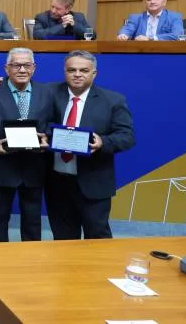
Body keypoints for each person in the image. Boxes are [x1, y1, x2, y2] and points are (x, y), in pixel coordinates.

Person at [46, 50, 135, 240]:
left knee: (97, 238)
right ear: (64, 71)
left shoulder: (113, 100)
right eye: (72, 70)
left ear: (94, 73)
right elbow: (22, 88)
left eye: (84, 70)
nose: (77, 74)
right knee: (62, 240)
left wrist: (104, 142)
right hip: (57, 182)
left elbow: (126, 137)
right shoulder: (48, 92)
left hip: (93, 183)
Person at [0, 48, 53, 243]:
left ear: (34, 68)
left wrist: (47, 137)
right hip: (2, 166)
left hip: (35, 167)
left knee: (32, 221)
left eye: (27, 65)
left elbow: (54, 123)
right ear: (6, 68)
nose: (22, 69)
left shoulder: (48, 92)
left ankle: (30, 263)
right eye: (16, 65)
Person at [116, 0, 184, 41]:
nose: (152, 2)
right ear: (144, 2)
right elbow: (127, 29)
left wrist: (150, 38)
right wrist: (123, 35)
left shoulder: (174, 17)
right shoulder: (135, 18)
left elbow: (178, 35)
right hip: (140, 52)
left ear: (164, 1)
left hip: (164, 53)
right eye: (149, 0)